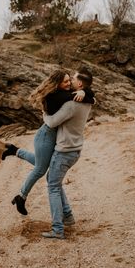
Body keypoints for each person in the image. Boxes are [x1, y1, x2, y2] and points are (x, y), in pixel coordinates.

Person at [1, 69, 95, 216]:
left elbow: (89, 97)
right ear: (56, 84)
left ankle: (15, 151)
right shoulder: (54, 96)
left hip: (51, 136)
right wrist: (86, 94)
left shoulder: (68, 94)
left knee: (42, 164)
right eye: (65, 81)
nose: (69, 83)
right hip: (46, 135)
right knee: (40, 169)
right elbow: (52, 121)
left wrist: (86, 93)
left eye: (70, 80)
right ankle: (21, 196)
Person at [41, 67, 93, 239]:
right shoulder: (88, 100)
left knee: (53, 187)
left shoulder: (72, 104)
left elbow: (52, 123)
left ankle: (57, 229)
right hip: (75, 149)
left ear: (79, 83)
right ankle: (68, 216)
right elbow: (91, 93)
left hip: (64, 150)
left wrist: (43, 114)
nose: (70, 80)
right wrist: (86, 91)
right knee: (53, 180)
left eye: (73, 79)